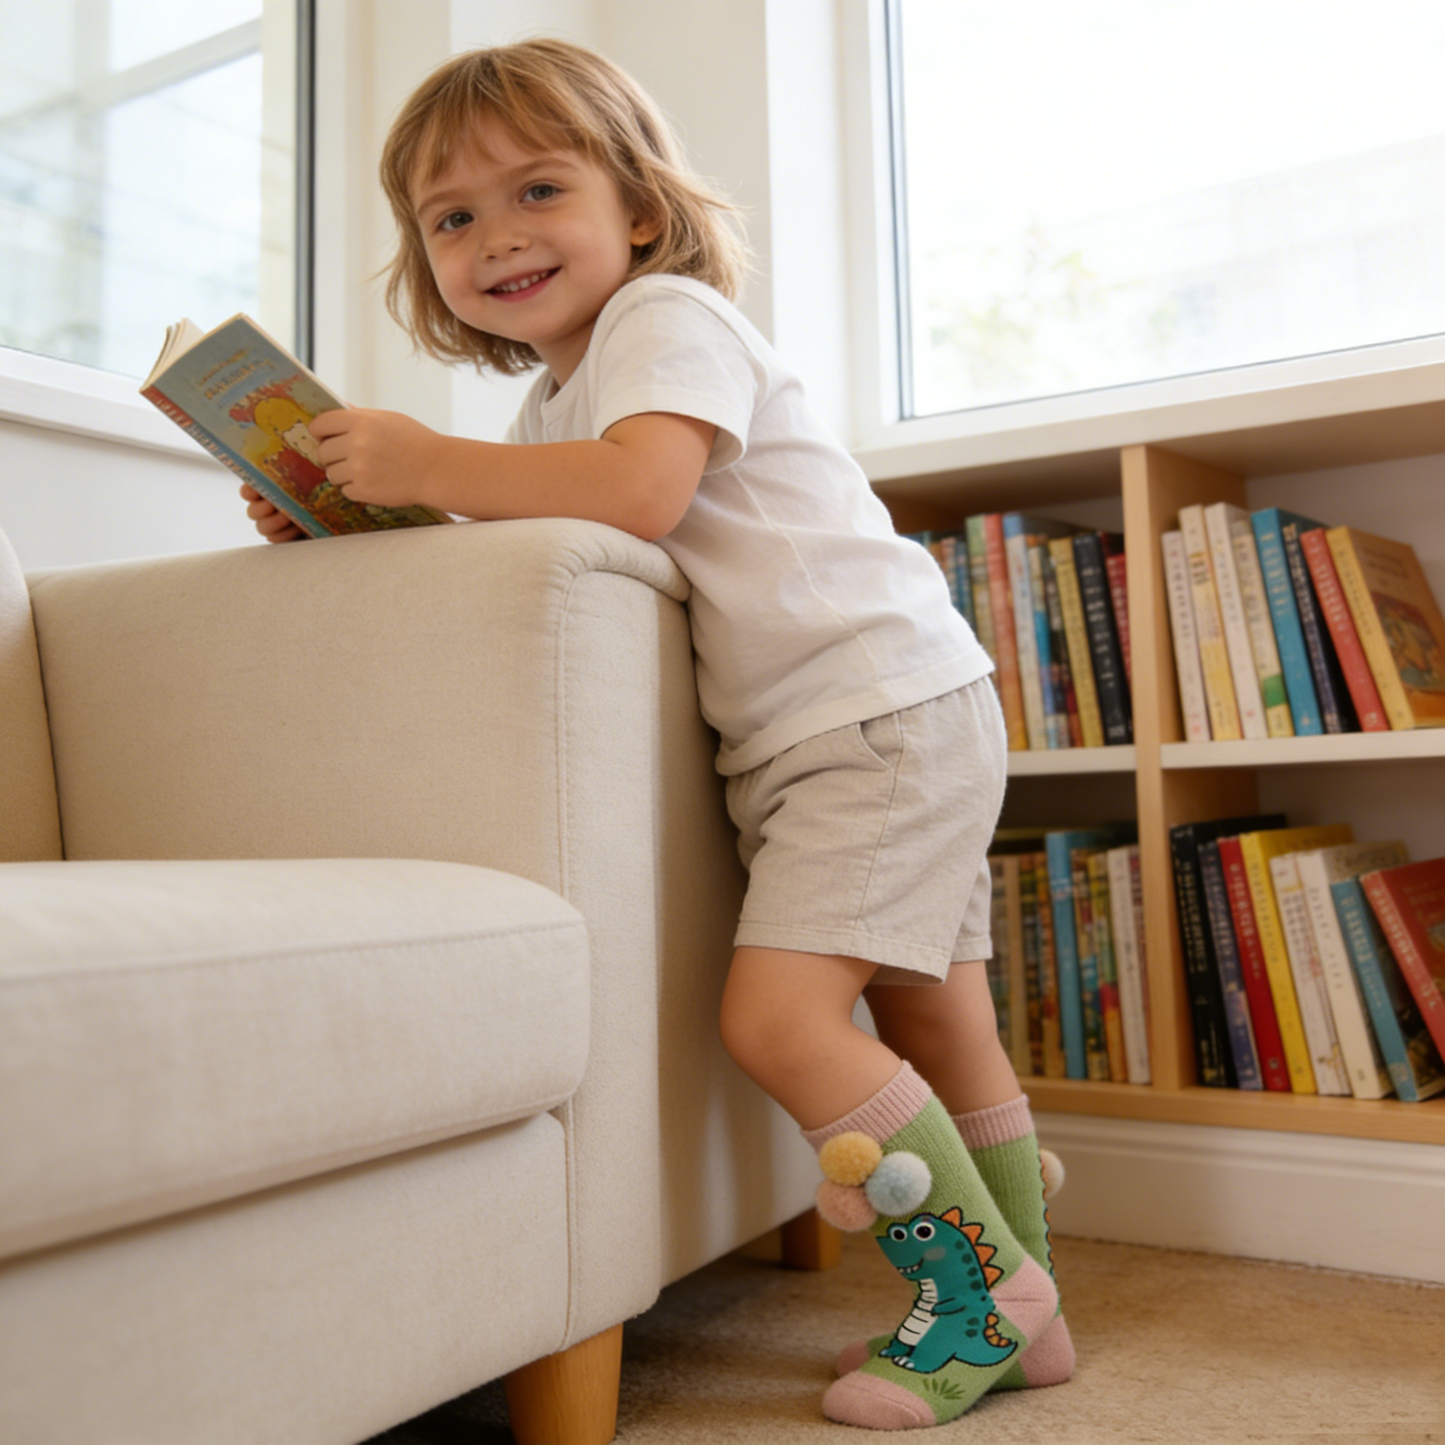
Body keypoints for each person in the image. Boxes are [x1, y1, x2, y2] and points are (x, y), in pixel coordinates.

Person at [240, 37, 1071, 1430]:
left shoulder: (664, 319)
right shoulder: (554, 402)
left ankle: (978, 1298)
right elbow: (560, 518)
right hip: (886, 705)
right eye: (453, 218)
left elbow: (636, 495)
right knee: (938, 1016)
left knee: (779, 1021)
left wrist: (426, 460)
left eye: (537, 190)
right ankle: (1029, 1314)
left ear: (637, 205)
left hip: (861, 712)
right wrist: (362, 510)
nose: (497, 236)